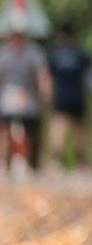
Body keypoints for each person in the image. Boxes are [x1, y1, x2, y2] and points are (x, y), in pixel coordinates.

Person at [0, 28, 47, 175]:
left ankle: (31, 163)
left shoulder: (34, 54)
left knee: (31, 133)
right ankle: (5, 164)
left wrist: (44, 91)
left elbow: (41, 75)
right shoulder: (4, 54)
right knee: (5, 132)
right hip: (7, 99)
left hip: (28, 99)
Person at [44, 26, 92, 170]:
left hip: (62, 96)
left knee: (59, 128)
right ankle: (81, 162)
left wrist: (47, 94)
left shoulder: (55, 54)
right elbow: (90, 78)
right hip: (77, 96)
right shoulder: (80, 53)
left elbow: (48, 77)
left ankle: (57, 161)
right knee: (79, 129)